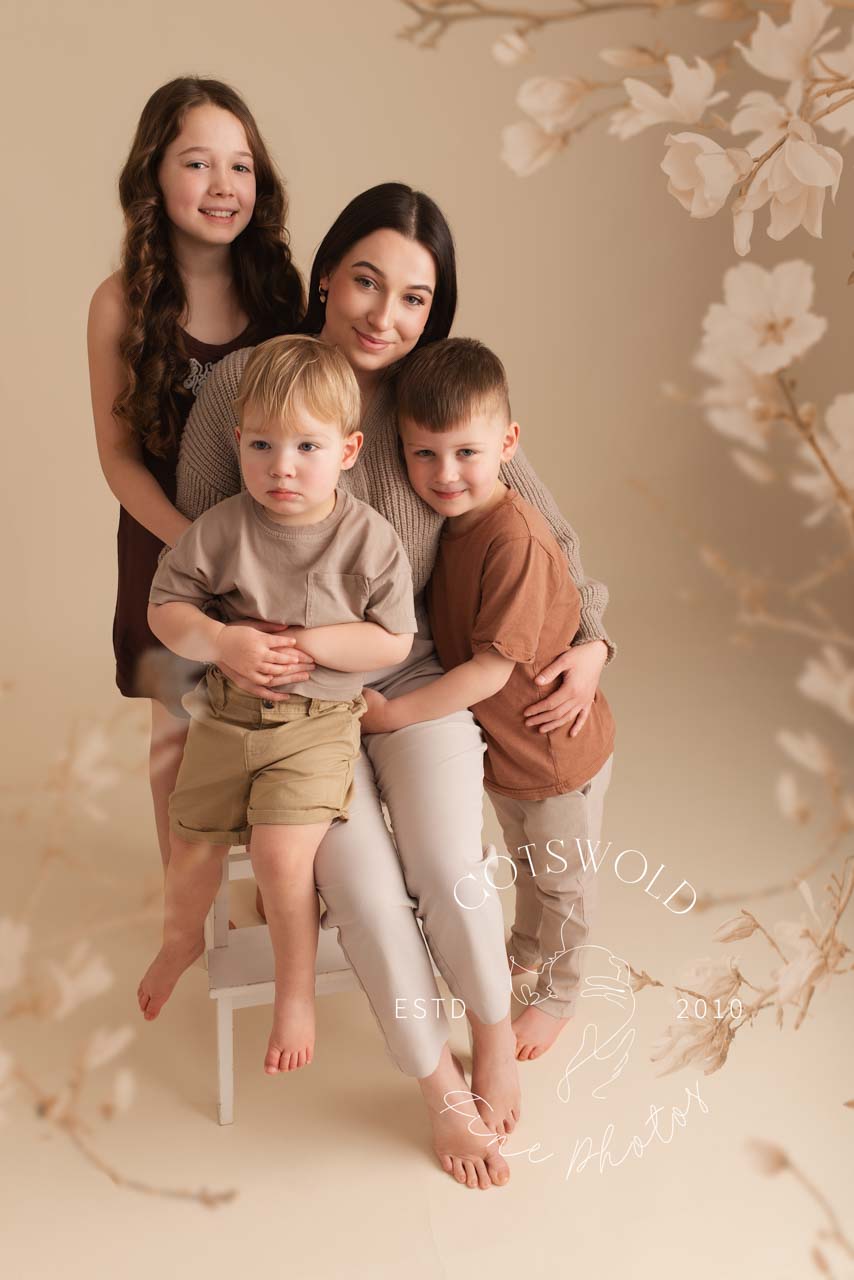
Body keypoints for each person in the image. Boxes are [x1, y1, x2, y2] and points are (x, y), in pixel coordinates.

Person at [176, 183, 615, 1191]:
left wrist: (593, 640)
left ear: (433, 312)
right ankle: (437, 1091)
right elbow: (200, 551)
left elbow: (542, 530)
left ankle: (491, 1033)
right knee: (369, 894)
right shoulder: (246, 383)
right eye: (366, 281)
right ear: (325, 275)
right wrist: (229, 648)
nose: (384, 314)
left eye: (414, 297)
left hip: (414, 673)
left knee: (449, 862)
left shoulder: (434, 397)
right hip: (290, 701)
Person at [138, 335, 417, 1074]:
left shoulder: (369, 540)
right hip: (228, 717)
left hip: (316, 727)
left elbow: (393, 641)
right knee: (191, 841)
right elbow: (165, 608)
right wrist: (221, 640)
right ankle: (181, 937)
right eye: (262, 444)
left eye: (306, 446)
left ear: (348, 450)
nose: (282, 466)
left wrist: (321, 643)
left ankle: (295, 990)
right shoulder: (224, 528)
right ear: (237, 444)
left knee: (277, 854)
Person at [359, 338, 616, 1062]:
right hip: (509, 751)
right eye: (423, 455)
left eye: (466, 453)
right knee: (529, 862)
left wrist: (399, 714)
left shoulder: (514, 540)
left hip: (553, 748)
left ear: (507, 444)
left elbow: (489, 671)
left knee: (563, 881)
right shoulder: (456, 525)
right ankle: (528, 948)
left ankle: (561, 993)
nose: (445, 476)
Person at [87, 77, 305, 876]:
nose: (223, 187)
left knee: (268, 713)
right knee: (176, 726)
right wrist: (196, 546)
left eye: (241, 166)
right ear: (153, 176)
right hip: (163, 545)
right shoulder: (119, 303)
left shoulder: (283, 295)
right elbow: (117, 459)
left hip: (274, 544)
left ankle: (276, 884)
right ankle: (187, 902)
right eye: (197, 163)